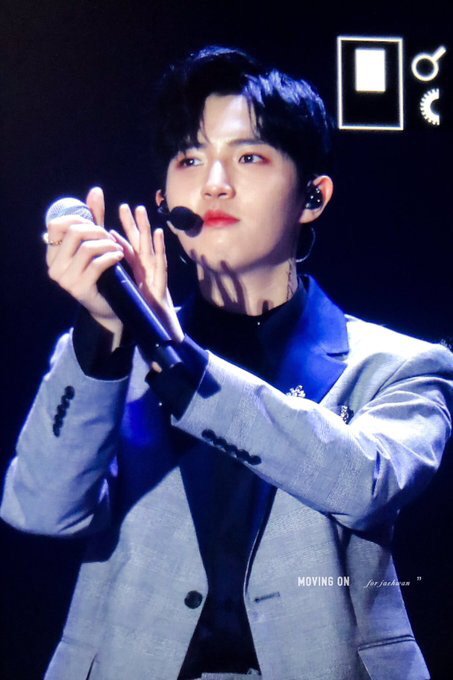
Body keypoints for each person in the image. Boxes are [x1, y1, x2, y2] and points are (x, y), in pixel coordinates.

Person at [1, 45, 452, 680]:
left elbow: (365, 485)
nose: (214, 183)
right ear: (164, 201)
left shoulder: (400, 365)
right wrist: (106, 333)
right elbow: (44, 510)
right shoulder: (110, 355)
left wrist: (180, 360)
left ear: (313, 195)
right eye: (190, 158)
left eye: (248, 156)